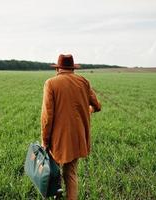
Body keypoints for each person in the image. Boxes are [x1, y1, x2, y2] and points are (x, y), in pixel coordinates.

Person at [41, 54, 101, 200]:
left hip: (57, 139)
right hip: (77, 138)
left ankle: (57, 195)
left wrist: (45, 141)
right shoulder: (84, 82)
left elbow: (47, 117)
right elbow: (97, 106)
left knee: (54, 171)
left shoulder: (51, 83)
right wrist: (88, 111)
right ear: (73, 68)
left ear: (58, 69)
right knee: (71, 174)